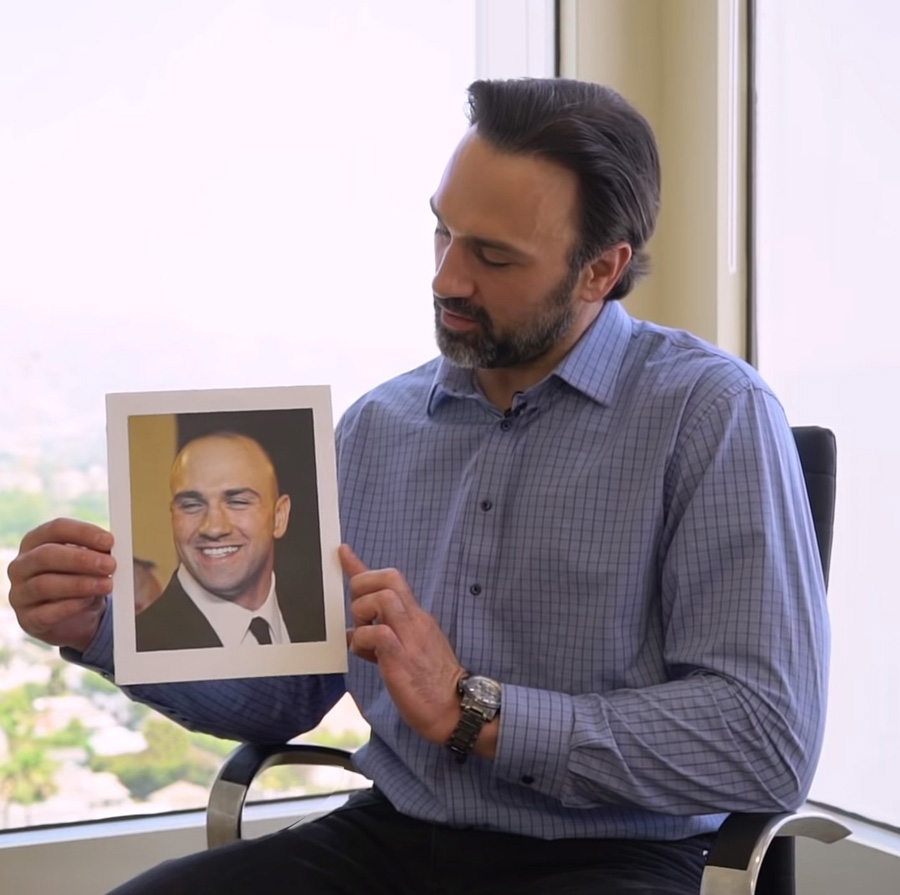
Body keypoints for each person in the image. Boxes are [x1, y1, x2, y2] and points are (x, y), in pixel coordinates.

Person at [7, 78, 829, 895]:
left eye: (493, 255)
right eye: (442, 233)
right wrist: (106, 624)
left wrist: (479, 711)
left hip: (616, 855)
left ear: (600, 270)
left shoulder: (711, 415)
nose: (446, 279)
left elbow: (765, 740)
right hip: (394, 838)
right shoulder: (377, 427)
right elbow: (287, 690)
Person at [135, 431, 313, 650]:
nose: (214, 527)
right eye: (191, 505)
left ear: (279, 517)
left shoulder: (322, 626)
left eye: (237, 502)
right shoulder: (142, 645)